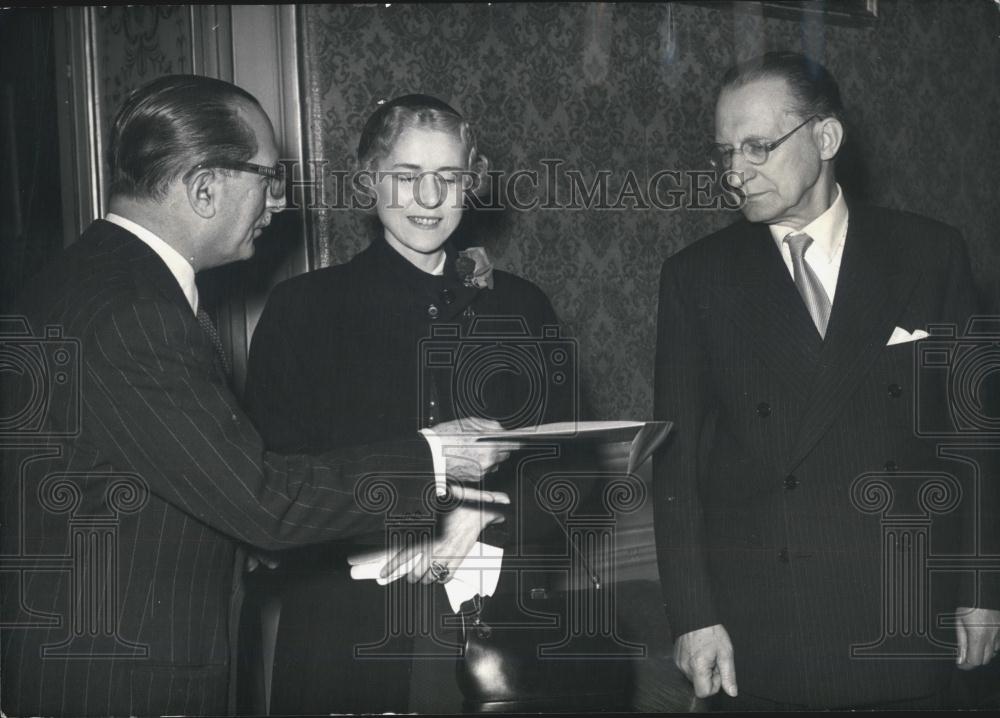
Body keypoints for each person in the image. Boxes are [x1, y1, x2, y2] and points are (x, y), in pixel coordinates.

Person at [0, 76, 511, 717]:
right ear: (205, 187)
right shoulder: (134, 314)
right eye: (268, 177)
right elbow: (264, 499)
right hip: (119, 682)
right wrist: (436, 457)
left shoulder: (85, 280)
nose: (279, 200)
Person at [652, 51, 1000, 710]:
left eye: (758, 147)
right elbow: (676, 466)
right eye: (725, 151)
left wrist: (982, 590)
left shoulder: (930, 253)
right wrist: (693, 618)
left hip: (904, 610)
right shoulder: (697, 278)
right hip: (765, 626)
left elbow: (974, 440)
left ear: (827, 137)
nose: (735, 172)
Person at [242, 94, 581, 713]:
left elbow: (571, 470)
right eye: (406, 176)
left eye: (448, 177)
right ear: (369, 179)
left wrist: (486, 512)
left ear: (470, 183)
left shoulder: (521, 307)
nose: (429, 198)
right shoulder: (303, 310)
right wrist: (400, 520)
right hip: (345, 631)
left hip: (496, 633)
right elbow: (272, 486)